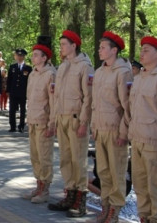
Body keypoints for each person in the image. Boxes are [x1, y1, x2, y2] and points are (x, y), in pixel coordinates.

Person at [128, 36, 157, 223]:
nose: (142, 52)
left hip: (154, 142)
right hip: (138, 140)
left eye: (147, 50)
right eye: (142, 49)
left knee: (156, 187)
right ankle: (144, 218)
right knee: (140, 186)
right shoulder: (139, 78)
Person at [48, 30, 94, 218]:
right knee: (66, 159)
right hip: (63, 117)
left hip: (76, 118)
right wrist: (56, 119)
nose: (61, 48)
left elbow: (88, 97)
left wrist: (84, 121)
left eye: (64, 44)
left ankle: (80, 200)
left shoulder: (85, 66)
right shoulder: (63, 66)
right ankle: (70, 193)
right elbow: (57, 96)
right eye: (60, 45)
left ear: (74, 46)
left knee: (78, 160)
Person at [89, 31, 133, 222]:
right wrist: (93, 126)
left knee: (117, 171)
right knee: (104, 171)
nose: (99, 50)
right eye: (99, 47)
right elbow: (94, 102)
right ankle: (105, 205)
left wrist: (124, 132)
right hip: (100, 127)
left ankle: (115, 208)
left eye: (103, 47)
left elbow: (127, 106)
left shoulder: (123, 72)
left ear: (114, 50)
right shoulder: (99, 72)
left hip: (115, 130)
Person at [23, 37, 56, 204]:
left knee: (44, 156)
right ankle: (38, 184)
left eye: (36, 55)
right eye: (33, 54)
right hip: (33, 119)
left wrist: (52, 123)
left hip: (44, 121)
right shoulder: (33, 74)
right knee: (34, 156)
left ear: (44, 58)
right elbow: (30, 97)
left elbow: (52, 101)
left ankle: (45, 189)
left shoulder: (50, 74)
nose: (33, 57)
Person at [7, 48, 32, 133]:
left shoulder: (28, 68)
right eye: (18, 55)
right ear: (16, 57)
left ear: (24, 57)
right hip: (13, 92)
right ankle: (12, 126)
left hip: (23, 92)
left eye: (21, 56)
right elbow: (9, 80)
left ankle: (21, 125)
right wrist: (8, 91)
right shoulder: (12, 67)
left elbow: (30, 81)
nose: (20, 57)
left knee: (22, 110)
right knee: (12, 109)